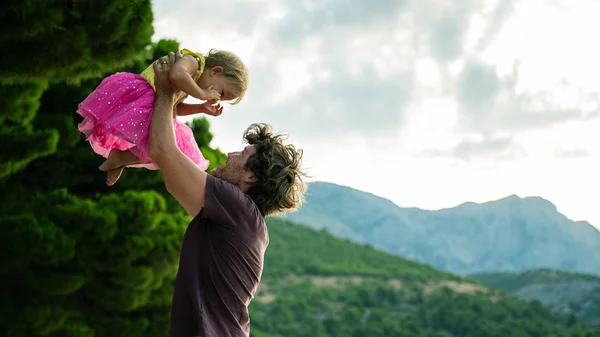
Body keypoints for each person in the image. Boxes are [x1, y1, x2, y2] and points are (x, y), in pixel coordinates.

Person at [149, 51, 307, 337]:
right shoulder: (241, 218)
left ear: (250, 175)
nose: (230, 154)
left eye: (243, 154)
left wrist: (165, 93)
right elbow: (174, 179)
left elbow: (162, 150)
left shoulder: (236, 206)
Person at [76, 48, 249, 186]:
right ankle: (119, 159)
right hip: (142, 96)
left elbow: (175, 109)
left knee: (167, 151)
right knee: (162, 145)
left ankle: (120, 159)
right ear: (216, 71)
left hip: (157, 105)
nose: (215, 97)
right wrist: (202, 93)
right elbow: (176, 74)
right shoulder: (194, 62)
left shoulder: (189, 86)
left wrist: (201, 108)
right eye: (221, 92)